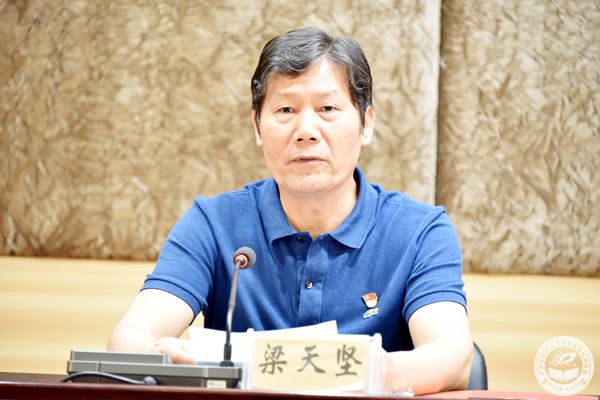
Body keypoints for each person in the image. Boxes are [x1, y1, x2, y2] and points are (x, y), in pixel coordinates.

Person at [108, 27, 472, 395]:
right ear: (257, 126)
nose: (306, 130)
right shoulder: (213, 223)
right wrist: (168, 359)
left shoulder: (420, 231)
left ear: (367, 123)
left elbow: (452, 357)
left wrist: (366, 372)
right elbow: (128, 339)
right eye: (286, 110)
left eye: (327, 109)